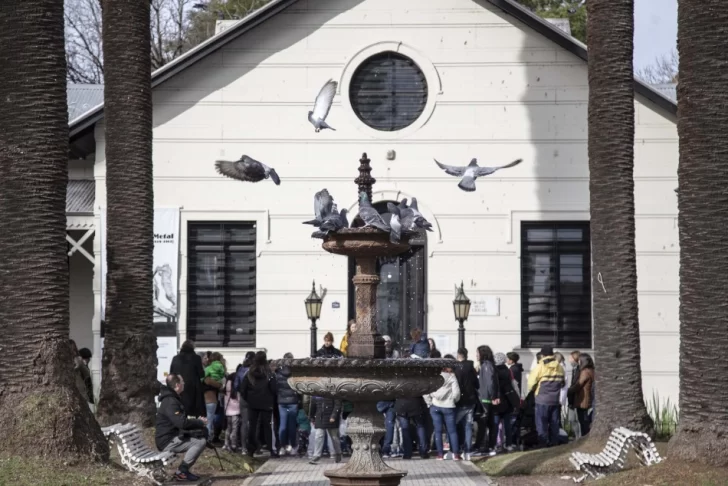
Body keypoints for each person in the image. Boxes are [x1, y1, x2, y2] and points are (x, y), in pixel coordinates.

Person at [155, 374, 208, 482]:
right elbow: (181, 423)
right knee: (200, 442)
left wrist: (196, 422)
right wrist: (199, 422)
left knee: (199, 438)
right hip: (166, 441)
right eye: (182, 382)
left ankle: (182, 471)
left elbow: (180, 421)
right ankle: (182, 472)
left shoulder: (172, 398)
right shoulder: (170, 401)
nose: (184, 383)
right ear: (178, 385)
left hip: (172, 436)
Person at [240, 351, 278, 458]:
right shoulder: (269, 374)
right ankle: (271, 449)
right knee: (267, 427)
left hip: (252, 403)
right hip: (266, 403)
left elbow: (243, 389)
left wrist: (249, 399)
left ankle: (251, 449)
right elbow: (274, 389)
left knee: (252, 426)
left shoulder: (249, 373)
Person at [527, 346, 565, 448]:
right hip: (555, 400)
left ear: (542, 355)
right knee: (554, 423)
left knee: (541, 423)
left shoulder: (540, 367)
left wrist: (534, 390)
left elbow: (531, 383)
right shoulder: (560, 367)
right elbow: (563, 382)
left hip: (542, 399)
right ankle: (554, 443)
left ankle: (543, 443)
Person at [425, 354, 461, 460]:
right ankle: (456, 454)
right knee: (452, 431)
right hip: (449, 406)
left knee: (438, 431)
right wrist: (453, 400)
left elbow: (426, 391)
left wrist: (430, 402)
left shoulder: (433, 377)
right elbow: (456, 393)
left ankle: (440, 454)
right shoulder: (452, 377)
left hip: (435, 405)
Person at [454, 347, 479, 460]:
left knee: (454, 424)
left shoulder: (455, 368)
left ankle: (456, 447)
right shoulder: (470, 367)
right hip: (471, 399)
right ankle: (468, 450)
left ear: (458, 354)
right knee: (468, 426)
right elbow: (476, 383)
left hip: (459, 400)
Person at [493, 353, 520, 453]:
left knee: (495, 425)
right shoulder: (508, 371)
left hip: (496, 400)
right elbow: (514, 385)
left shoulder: (493, 371)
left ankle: (495, 444)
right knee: (507, 425)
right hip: (507, 400)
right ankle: (508, 444)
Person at [475, 345, 499, 457]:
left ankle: (485, 446)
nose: (476, 355)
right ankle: (488, 445)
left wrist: (493, 396)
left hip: (485, 399)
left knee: (485, 424)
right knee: (487, 424)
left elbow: (490, 383)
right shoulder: (486, 365)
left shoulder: (486, 366)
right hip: (486, 398)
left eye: (477, 353)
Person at [308, 395, 343, 464]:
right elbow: (313, 405)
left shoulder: (333, 391)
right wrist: (311, 416)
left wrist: (334, 416)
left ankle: (338, 453)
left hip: (331, 418)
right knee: (318, 436)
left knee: (334, 438)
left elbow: (337, 404)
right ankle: (316, 455)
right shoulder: (316, 392)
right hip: (319, 417)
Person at [394, 393, 429, 460]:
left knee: (405, 430)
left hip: (402, 404)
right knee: (420, 427)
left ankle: (407, 453)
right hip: (416, 403)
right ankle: (423, 452)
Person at [277, 352, 298, 455]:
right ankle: (293, 446)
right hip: (293, 402)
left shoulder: (278, 372)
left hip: (281, 402)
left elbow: (275, 387)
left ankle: (282, 446)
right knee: (292, 426)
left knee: (283, 426)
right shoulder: (295, 373)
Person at [568, 353, 595, 436]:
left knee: (583, 421)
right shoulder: (592, 370)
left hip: (583, 400)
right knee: (586, 421)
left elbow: (578, 385)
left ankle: (584, 438)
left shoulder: (585, 372)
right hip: (589, 399)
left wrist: (568, 391)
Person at [202, 352, 225, 438]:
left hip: (207, 399)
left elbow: (205, 379)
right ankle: (208, 437)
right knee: (210, 419)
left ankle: (207, 437)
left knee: (207, 419)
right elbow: (220, 382)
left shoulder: (207, 369)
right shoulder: (220, 369)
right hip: (212, 399)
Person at [223, 369, 241, 452]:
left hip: (227, 411)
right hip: (236, 411)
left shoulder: (226, 388)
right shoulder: (236, 389)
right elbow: (239, 400)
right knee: (235, 428)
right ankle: (233, 444)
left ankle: (226, 443)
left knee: (228, 428)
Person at [70, 340, 94, 405]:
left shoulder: (81, 364)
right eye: (86, 359)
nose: (87, 361)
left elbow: (87, 375)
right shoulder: (74, 363)